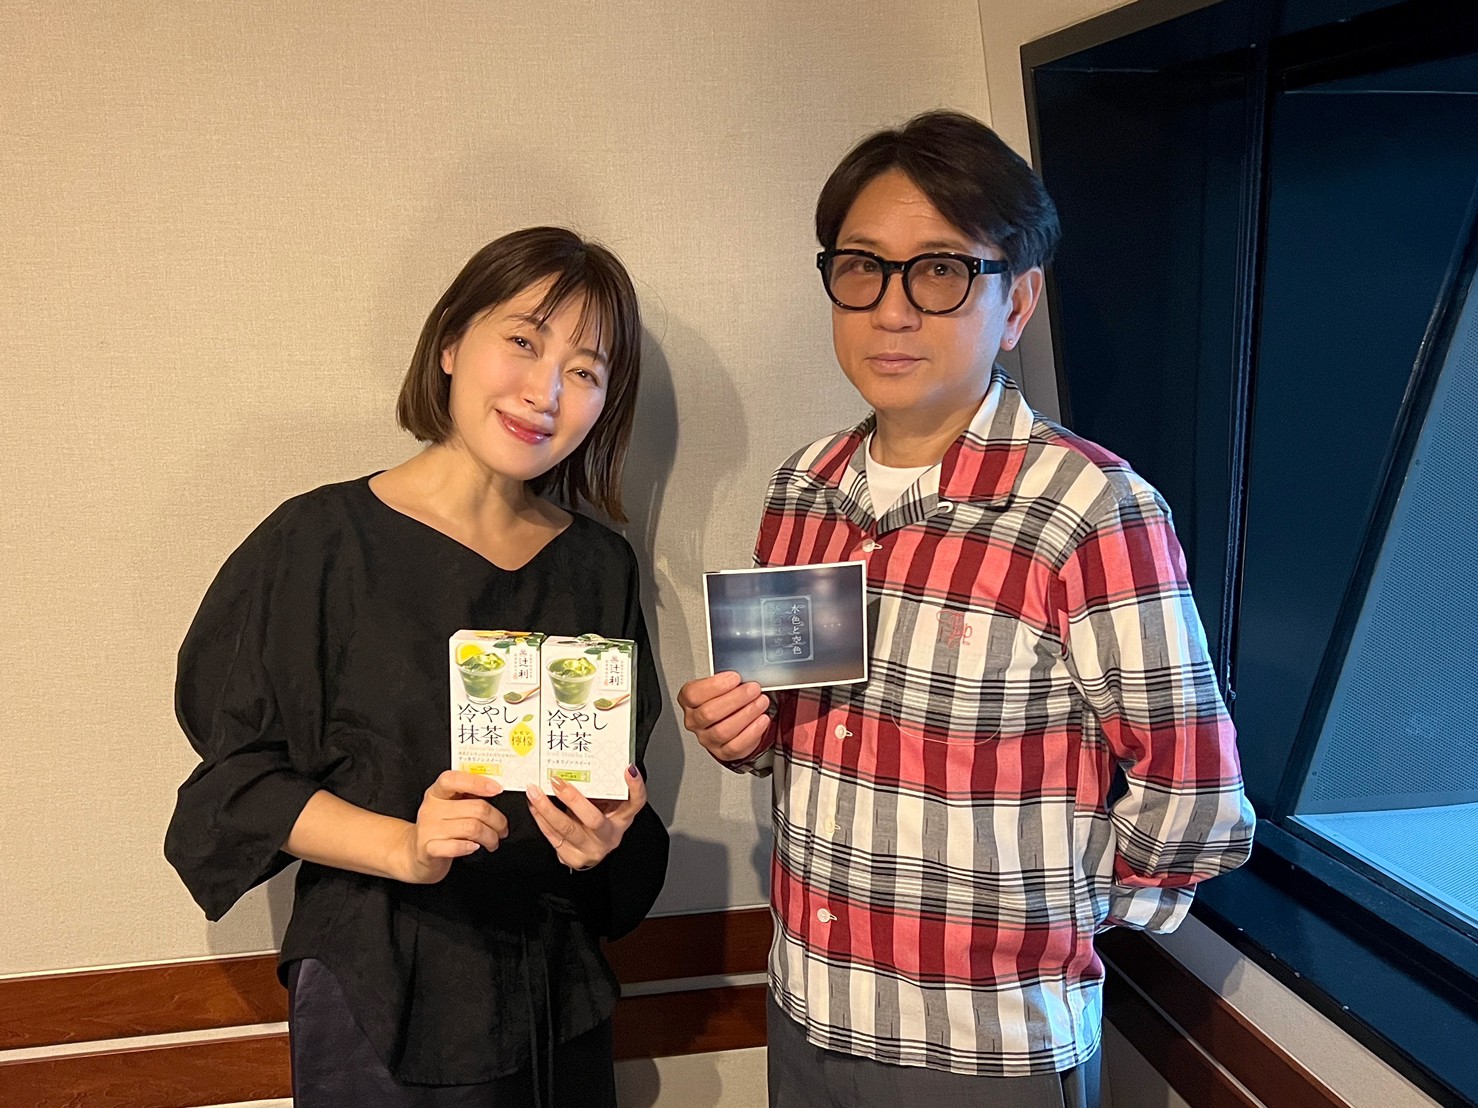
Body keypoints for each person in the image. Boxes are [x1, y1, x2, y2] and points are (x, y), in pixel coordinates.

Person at [679, 110, 1255, 1107]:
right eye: (862, 268)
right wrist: (746, 732)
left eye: (940, 270)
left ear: (1016, 300)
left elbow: (1198, 799)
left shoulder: (1088, 509)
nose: (892, 310)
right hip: (804, 1006)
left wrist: (1054, 911)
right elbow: (798, 724)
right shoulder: (804, 488)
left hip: (984, 1049)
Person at [165, 226, 668, 1108]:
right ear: (450, 343)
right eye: (523, 341)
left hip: (554, 993)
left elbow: (612, 783)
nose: (545, 390)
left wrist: (602, 842)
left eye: (586, 371)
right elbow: (237, 785)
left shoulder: (599, 567)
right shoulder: (319, 542)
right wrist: (406, 845)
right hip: (378, 983)